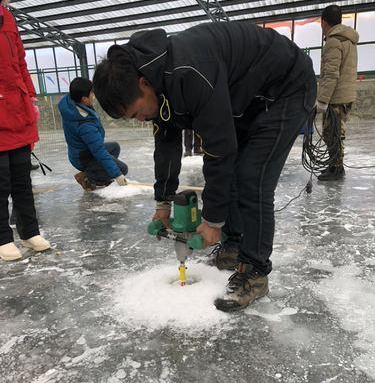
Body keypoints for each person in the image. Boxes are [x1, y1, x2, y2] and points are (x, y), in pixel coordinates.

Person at [93, 21, 316, 312]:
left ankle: (256, 272)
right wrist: (163, 201)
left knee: (252, 177)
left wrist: (212, 220)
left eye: (137, 113)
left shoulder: (189, 73)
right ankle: (234, 245)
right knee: (236, 172)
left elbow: (219, 148)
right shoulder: (155, 80)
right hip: (248, 96)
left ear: (143, 83)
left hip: (286, 87)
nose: (141, 119)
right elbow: (166, 146)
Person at [0, 0, 50, 261]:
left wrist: (29, 96)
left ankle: (29, 231)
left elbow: (20, 61)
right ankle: (1, 237)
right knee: (1, 180)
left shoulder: (8, 17)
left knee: (21, 176)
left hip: (16, 109)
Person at [58, 77, 128, 191]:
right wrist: (117, 175)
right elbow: (99, 151)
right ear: (84, 99)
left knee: (115, 147)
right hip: (84, 158)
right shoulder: (84, 125)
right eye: (92, 93)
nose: (94, 96)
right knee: (123, 169)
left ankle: (96, 172)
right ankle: (89, 177)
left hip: (81, 152)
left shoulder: (71, 103)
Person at [316, 5, 359, 181]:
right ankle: (336, 165)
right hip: (346, 95)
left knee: (330, 132)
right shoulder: (349, 40)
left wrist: (322, 100)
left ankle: (336, 168)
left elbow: (331, 74)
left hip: (336, 96)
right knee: (336, 132)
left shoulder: (333, 41)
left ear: (323, 22)